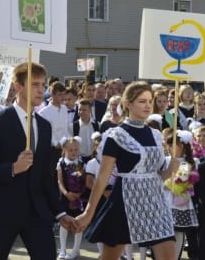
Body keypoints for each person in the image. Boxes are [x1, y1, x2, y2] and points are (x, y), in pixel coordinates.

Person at [0, 62, 77, 260]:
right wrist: (12, 168)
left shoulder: (44, 126)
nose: (41, 90)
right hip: (1, 210)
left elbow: (46, 176)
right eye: (35, 85)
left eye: (43, 85)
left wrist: (60, 213)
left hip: (36, 212)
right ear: (18, 86)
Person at [76, 81, 179, 260]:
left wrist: (170, 170)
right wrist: (88, 212)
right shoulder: (116, 135)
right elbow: (102, 178)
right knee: (109, 257)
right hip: (125, 201)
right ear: (127, 104)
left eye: (149, 101)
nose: (147, 105)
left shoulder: (155, 135)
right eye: (141, 101)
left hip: (155, 202)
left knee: (169, 255)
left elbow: (157, 176)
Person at [164, 130, 199, 260]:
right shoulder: (165, 160)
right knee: (164, 237)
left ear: (181, 146)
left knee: (178, 234)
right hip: (164, 203)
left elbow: (179, 185)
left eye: (171, 145)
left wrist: (165, 180)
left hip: (179, 204)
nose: (168, 148)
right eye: (167, 145)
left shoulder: (190, 162)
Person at [57, 136, 86, 259]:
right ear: (64, 150)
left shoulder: (80, 163)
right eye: (71, 150)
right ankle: (62, 249)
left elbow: (84, 181)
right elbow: (60, 181)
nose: (73, 152)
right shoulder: (61, 163)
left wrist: (79, 193)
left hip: (79, 198)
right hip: (66, 197)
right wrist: (66, 193)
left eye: (76, 150)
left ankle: (75, 249)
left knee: (78, 222)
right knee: (64, 223)